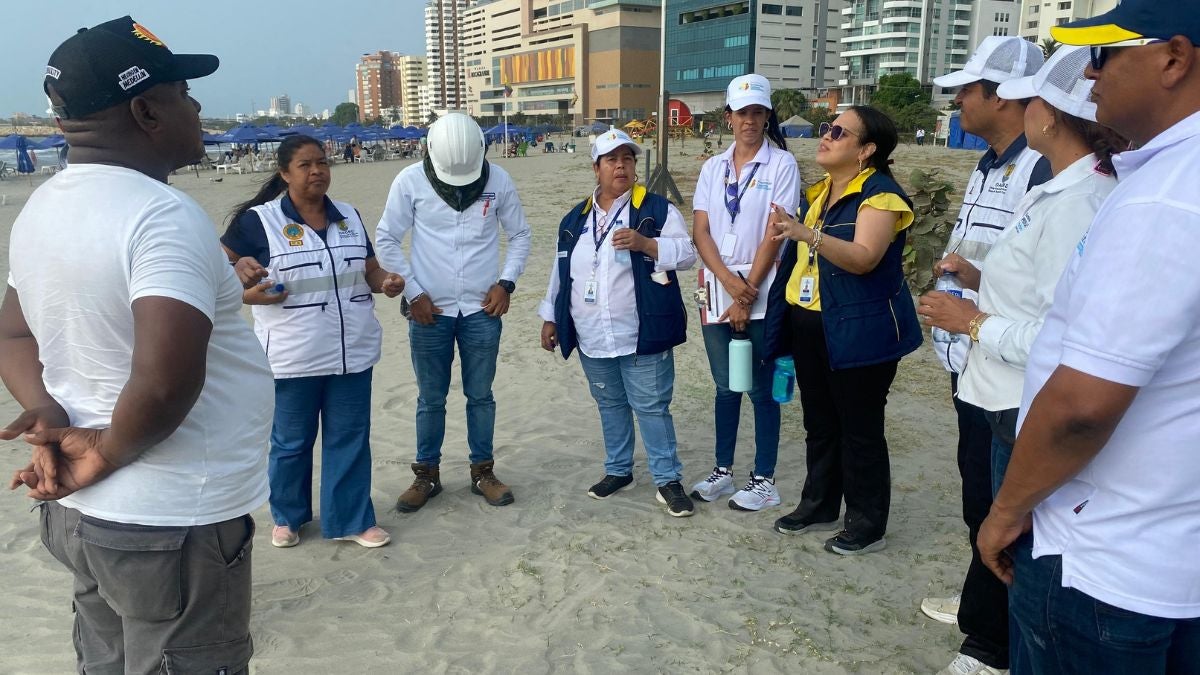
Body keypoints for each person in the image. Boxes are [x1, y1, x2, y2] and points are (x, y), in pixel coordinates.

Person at [1, 17, 271, 672]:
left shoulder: (44, 205)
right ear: (146, 110)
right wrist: (107, 452)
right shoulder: (159, 214)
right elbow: (164, 380)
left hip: (79, 515)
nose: (199, 106)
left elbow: (11, 330)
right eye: (183, 92)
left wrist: (48, 406)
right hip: (168, 516)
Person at [979, 2, 1200, 669]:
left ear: (1174, 58)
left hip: (1102, 560)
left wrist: (1007, 511)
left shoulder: (1164, 198)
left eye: (1105, 56)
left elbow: (1081, 406)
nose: (1092, 76)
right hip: (1170, 549)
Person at [918, 46, 1124, 675]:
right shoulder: (1060, 190)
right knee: (998, 525)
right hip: (998, 390)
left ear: (1050, 116)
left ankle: (997, 649)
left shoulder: (1078, 202)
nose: (1020, 107)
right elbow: (1042, 292)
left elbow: (1067, 340)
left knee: (1019, 543)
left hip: (1019, 396)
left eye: (1031, 97)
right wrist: (979, 277)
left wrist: (972, 321)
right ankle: (996, 635)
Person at [918, 35, 1051, 675]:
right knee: (979, 490)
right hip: (969, 358)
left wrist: (971, 291)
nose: (959, 101)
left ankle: (992, 646)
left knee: (1003, 501)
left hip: (1008, 367)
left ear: (1002, 96)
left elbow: (1036, 282)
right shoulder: (990, 159)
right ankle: (981, 606)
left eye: (967, 90)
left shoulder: (1041, 169)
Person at [221, 134, 405, 549]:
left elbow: (370, 270)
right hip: (292, 356)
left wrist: (386, 282)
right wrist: (245, 289)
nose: (317, 171)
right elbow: (219, 267)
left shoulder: (349, 217)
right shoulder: (259, 221)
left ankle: (353, 519)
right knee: (290, 442)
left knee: (350, 439)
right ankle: (288, 518)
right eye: (305, 165)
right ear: (285, 173)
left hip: (351, 352)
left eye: (321, 162)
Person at [765, 107, 921, 556]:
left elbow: (865, 257)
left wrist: (804, 234)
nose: (825, 136)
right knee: (820, 422)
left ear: (866, 149)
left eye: (838, 131)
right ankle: (818, 504)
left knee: (860, 428)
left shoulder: (880, 194)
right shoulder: (823, 193)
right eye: (826, 128)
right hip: (812, 323)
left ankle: (867, 522)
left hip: (859, 330)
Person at [376, 112, 531, 513]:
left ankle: (483, 471)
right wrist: (413, 291)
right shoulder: (409, 181)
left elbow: (520, 235)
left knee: (481, 395)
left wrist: (507, 282)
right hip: (430, 312)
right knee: (431, 397)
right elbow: (387, 239)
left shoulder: (498, 180)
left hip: (483, 309)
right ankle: (427, 474)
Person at [538, 129, 697, 517]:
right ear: (596, 168)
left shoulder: (656, 210)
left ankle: (667, 479)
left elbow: (688, 254)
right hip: (592, 334)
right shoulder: (575, 218)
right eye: (611, 159)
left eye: (627, 158)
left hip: (642, 331)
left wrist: (648, 245)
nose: (620, 166)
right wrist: (549, 316)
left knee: (652, 406)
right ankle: (618, 470)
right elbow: (562, 272)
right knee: (609, 404)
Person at [689, 73, 801, 512]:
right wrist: (730, 286)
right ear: (729, 117)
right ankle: (722, 470)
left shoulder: (781, 166)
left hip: (763, 290)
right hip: (717, 289)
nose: (749, 121)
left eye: (757, 112)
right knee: (724, 385)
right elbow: (701, 232)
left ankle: (764, 479)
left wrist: (747, 291)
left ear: (767, 116)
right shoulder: (712, 168)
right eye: (742, 113)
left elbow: (777, 232)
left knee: (760, 387)